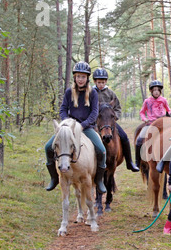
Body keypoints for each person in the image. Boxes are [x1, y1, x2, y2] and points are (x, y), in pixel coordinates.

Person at [44, 61, 107, 194]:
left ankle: (99, 180)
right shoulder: (69, 92)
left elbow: (94, 112)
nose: (80, 79)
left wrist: (82, 125)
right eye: (78, 76)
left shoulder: (92, 93)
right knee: (48, 147)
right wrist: (66, 123)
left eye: (83, 77)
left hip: (86, 127)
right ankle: (54, 178)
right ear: (75, 77)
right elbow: (63, 109)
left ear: (87, 78)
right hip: (69, 128)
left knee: (101, 150)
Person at [92, 68, 139, 172]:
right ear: (95, 81)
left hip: (109, 122)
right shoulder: (91, 93)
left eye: (103, 82)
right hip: (95, 122)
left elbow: (117, 108)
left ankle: (129, 162)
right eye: (99, 82)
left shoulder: (110, 93)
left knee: (124, 137)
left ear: (106, 82)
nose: (101, 84)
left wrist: (114, 118)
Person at [135, 80, 171, 168]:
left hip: (162, 123)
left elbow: (168, 109)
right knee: (139, 140)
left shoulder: (163, 100)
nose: (156, 91)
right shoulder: (147, 101)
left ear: (160, 91)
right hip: (150, 124)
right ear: (151, 91)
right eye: (154, 90)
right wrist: (145, 119)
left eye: (158, 90)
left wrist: (169, 114)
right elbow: (142, 112)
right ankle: (137, 161)